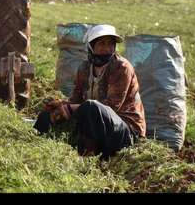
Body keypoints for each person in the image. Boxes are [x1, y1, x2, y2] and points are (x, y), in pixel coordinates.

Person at [34, 24, 146, 159]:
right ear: (91, 47)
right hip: (95, 123)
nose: (107, 48)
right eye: (101, 44)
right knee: (48, 113)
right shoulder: (85, 68)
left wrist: (72, 108)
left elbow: (111, 106)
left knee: (91, 107)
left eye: (110, 44)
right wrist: (60, 105)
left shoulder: (121, 67)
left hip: (126, 130)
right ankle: (35, 146)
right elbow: (75, 100)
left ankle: (88, 157)